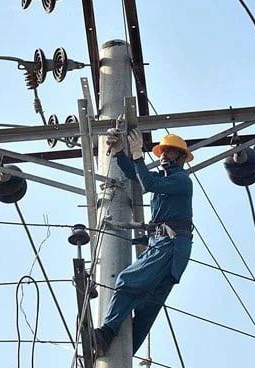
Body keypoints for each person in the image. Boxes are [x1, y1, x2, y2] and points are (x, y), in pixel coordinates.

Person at [94, 128, 194, 357]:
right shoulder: (163, 178)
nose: (164, 155)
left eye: (170, 151)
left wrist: (138, 153)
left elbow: (147, 184)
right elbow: (135, 175)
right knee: (146, 309)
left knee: (127, 281)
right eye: (162, 151)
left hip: (169, 245)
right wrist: (120, 152)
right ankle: (125, 355)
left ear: (181, 157)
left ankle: (107, 333)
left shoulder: (181, 180)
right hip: (167, 248)